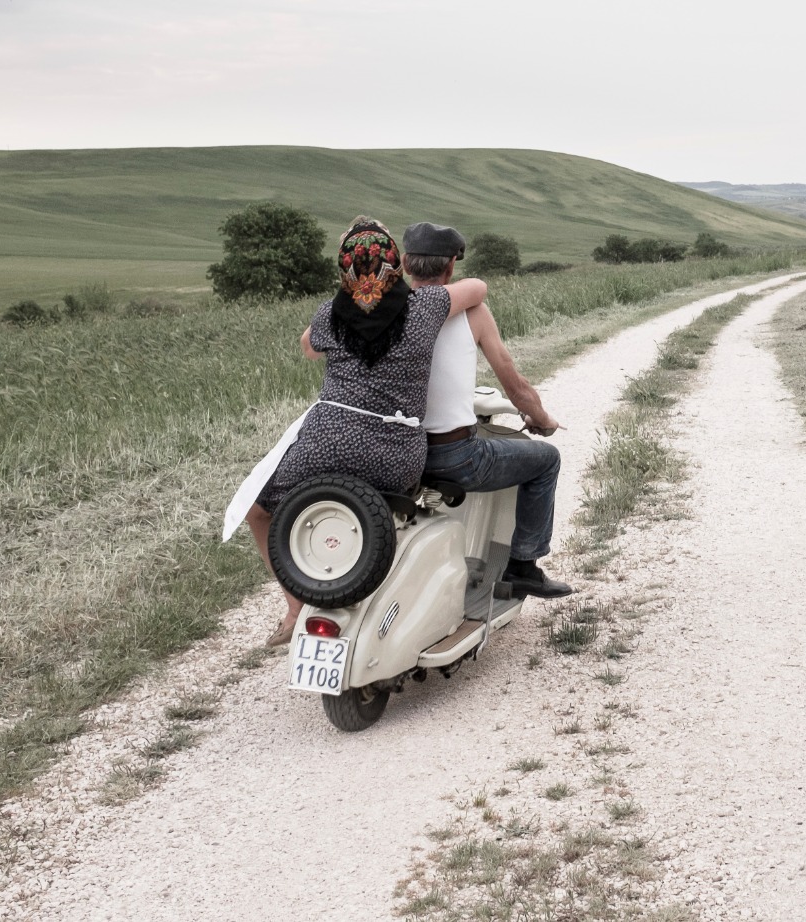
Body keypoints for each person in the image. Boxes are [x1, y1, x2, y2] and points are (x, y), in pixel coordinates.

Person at [231, 216, 489, 647]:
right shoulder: (426, 306)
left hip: (324, 443)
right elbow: (478, 288)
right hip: (397, 454)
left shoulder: (331, 313)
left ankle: (295, 607)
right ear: (397, 263)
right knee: (396, 508)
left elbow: (308, 347)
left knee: (258, 510)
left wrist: (347, 298)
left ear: (345, 267)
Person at [400, 221, 572, 601]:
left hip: (400, 454)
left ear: (406, 263)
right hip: (454, 457)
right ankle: (523, 568)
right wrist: (543, 420)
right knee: (546, 460)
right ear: (451, 267)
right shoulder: (472, 312)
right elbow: (516, 387)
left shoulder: (387, 311)